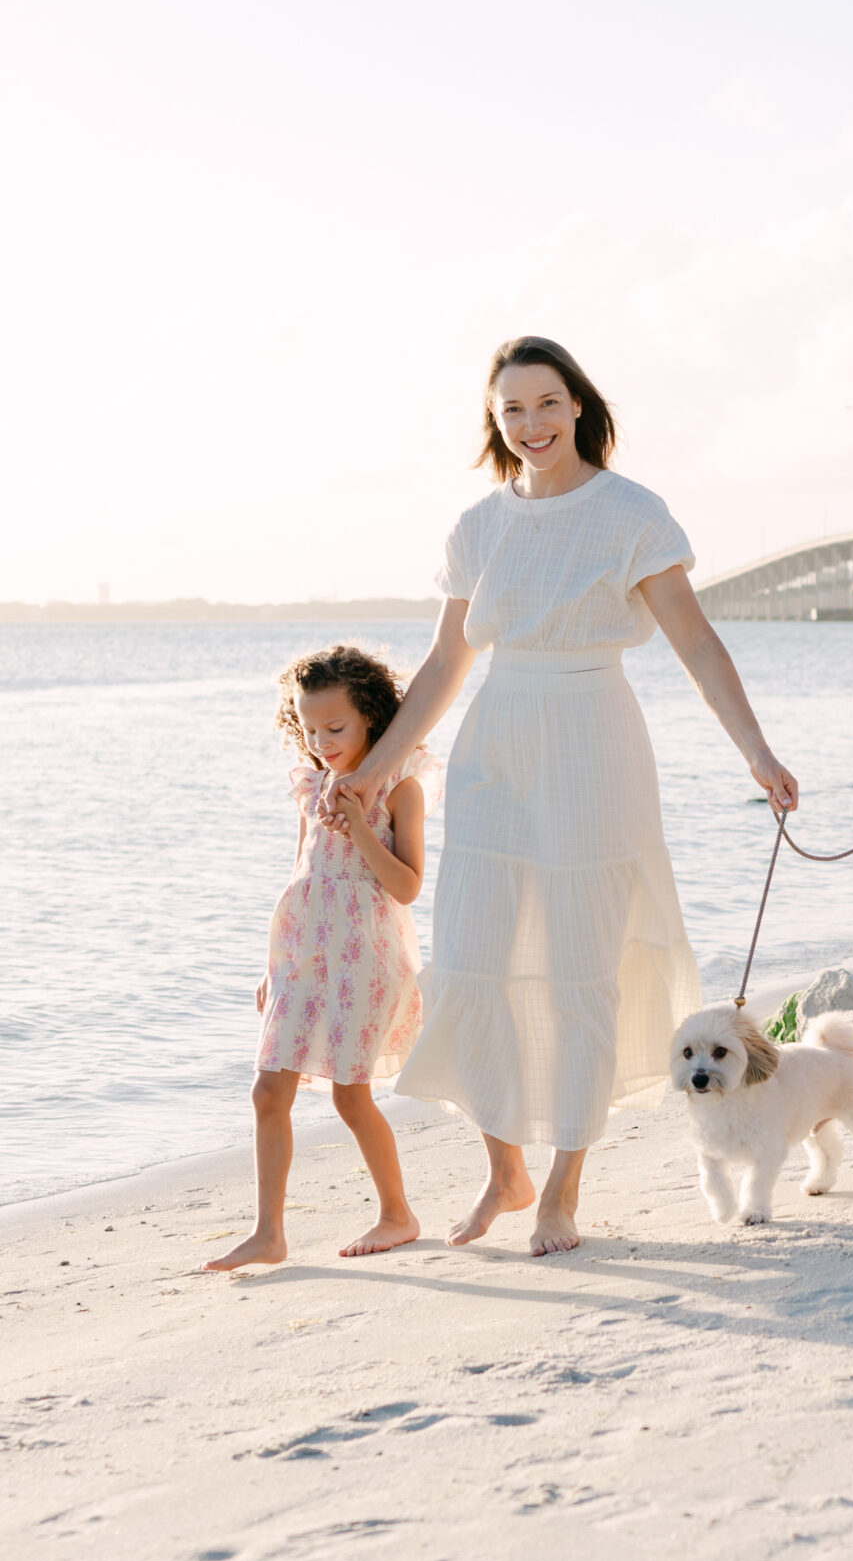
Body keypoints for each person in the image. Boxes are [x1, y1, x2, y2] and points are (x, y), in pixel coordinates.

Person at [338, 333, 798, 1256]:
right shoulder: (479, 525)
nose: (531, 423)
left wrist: (754, 749)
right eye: (512, 409)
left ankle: (560, 1191)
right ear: (495, 421)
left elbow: (698, 645)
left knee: (585, 968)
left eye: (546, 403)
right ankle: (504, 1169)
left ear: (578, 405)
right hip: (496, 747)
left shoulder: (630, 513)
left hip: (595, 743)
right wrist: (372, 770)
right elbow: (442, 664)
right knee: (476, 956)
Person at [204, 645, 440, 1271]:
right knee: (267, 1090)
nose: (322, 741)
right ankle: (268, 1234)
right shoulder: (310, 784)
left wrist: (363, 823)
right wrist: (272, 965)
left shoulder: (402, 784)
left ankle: (398, 1214)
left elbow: (408, 887)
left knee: (349, 1096)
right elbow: (301, 874)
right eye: (309, 729)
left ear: (370, 717)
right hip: (303, 958)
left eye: (335, 728)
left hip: (367, 957)